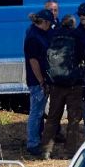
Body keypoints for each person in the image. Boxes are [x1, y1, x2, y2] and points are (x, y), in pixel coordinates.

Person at [41, 14, 85, 159]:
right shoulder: (77, 35)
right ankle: (69, 152)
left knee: (53, 118)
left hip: (56, 84)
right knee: (73, 119)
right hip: (74, 84)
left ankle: (45, 150)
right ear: (72, 24)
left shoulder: (53, 35)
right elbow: (83, 55)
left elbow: (45, 57)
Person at [23, 11, 54, 157]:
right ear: (45, 22)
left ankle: (36, 140)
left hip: (41, 80)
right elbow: (33, 61)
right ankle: (32, 143)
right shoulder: (33, 38)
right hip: (37, 81)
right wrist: (41, 81)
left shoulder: (38, 33)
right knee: (36, 113)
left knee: (39, 112)